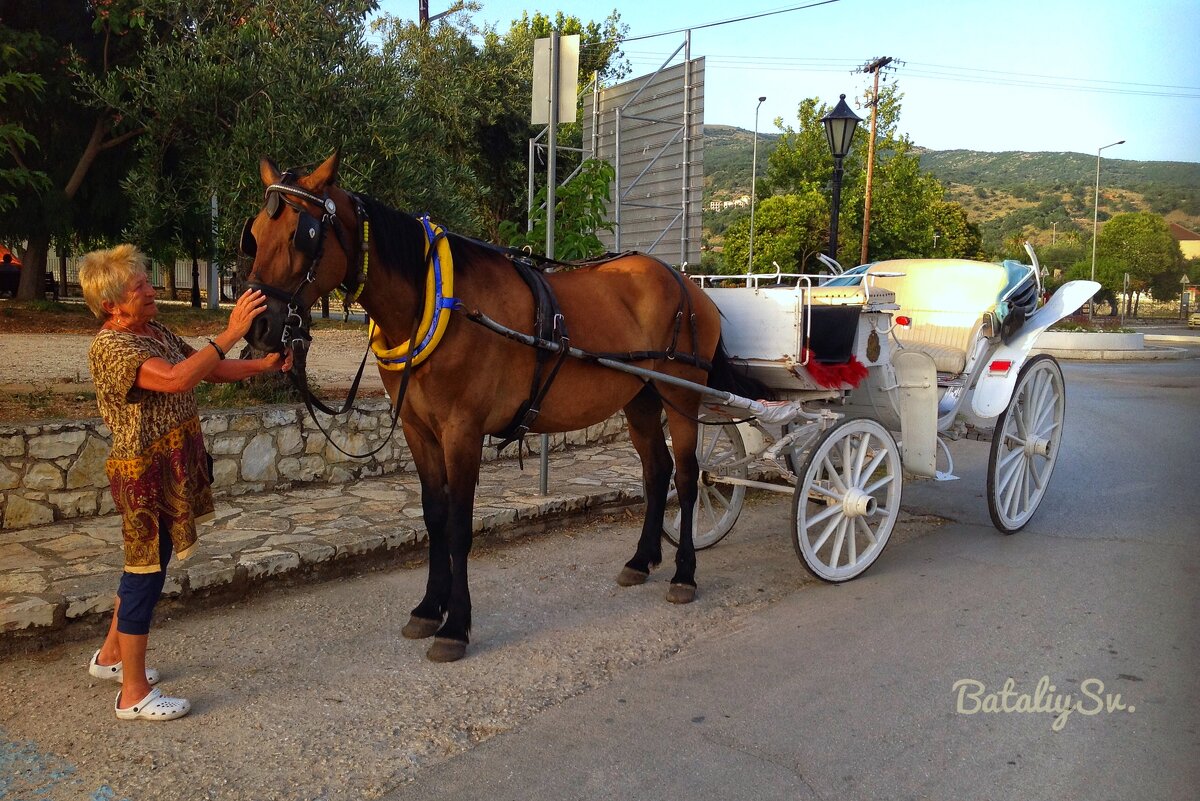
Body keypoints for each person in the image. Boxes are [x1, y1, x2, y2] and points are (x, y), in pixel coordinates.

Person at [79, 244, 292, 721]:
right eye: (139, 287)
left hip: (168, 467)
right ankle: (132, 695)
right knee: (144, 576)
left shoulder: (153, 331)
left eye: (147, 281)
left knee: (147, 565)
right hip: (142, 474)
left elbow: (206, 368)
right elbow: (176, 380)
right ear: (112, 303)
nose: (151, 290)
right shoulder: (111, 347)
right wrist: (232, 330)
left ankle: (111, 657)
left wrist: (262, 364)